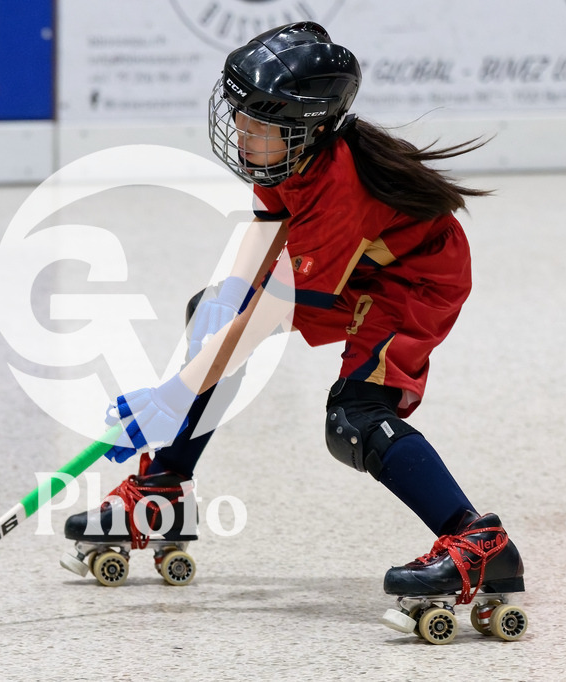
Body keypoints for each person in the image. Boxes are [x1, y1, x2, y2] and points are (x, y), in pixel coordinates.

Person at [63, 22, 524, 616]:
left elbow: (262, 320)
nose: (242, 131)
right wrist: (210, 325)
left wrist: (173, 394)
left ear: (307, 129)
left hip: (410, 284)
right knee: (210, 317)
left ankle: (479, 541)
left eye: (259, 123)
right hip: (361, 264)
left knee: (353, 419)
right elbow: (258, 244)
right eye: (241, 116)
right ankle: (164, 488)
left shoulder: (338, 189)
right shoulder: (287, 154)